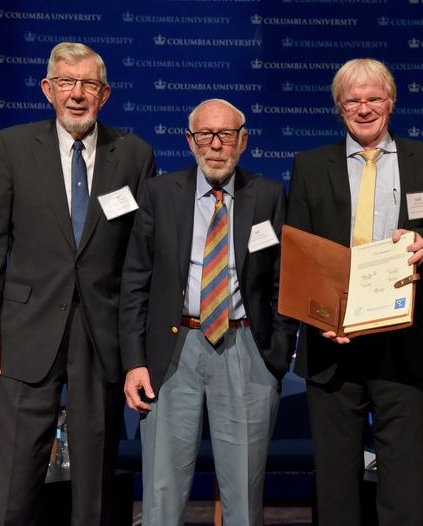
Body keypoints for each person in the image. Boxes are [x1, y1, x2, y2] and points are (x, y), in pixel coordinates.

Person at [0, 42, 156, 525]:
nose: (77, 94)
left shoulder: (134, 154)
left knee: (94, 486)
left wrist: (140, 350)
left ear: (105, 94)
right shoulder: (12, 146)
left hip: (102, 334)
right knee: (13, 481)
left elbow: (143, 258)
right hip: (25, 333)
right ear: (48, 89)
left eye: (88, 84)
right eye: (66, 83)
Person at [286, 58, 423, 526]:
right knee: (336, 478)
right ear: (339, 108)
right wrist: (322, 318)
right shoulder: (308, 165)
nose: (364, 108)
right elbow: (300, 251)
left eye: (374, 98)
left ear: (392, 102)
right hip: (332, 341)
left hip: (402, 338)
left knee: (403, 477)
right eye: (353, 100)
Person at [120, 98, 298, 526]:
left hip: (245, 348)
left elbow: (281, 282)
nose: (215, 145)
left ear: (243, 141)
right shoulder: (160, 194)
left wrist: (276, 354)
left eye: (226, 135)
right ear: (190, 140)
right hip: (173, 350)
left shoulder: (269, 194)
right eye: (205, 135)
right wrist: (135, 362)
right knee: (162, 491)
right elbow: (135, 281)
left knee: (243, 493)